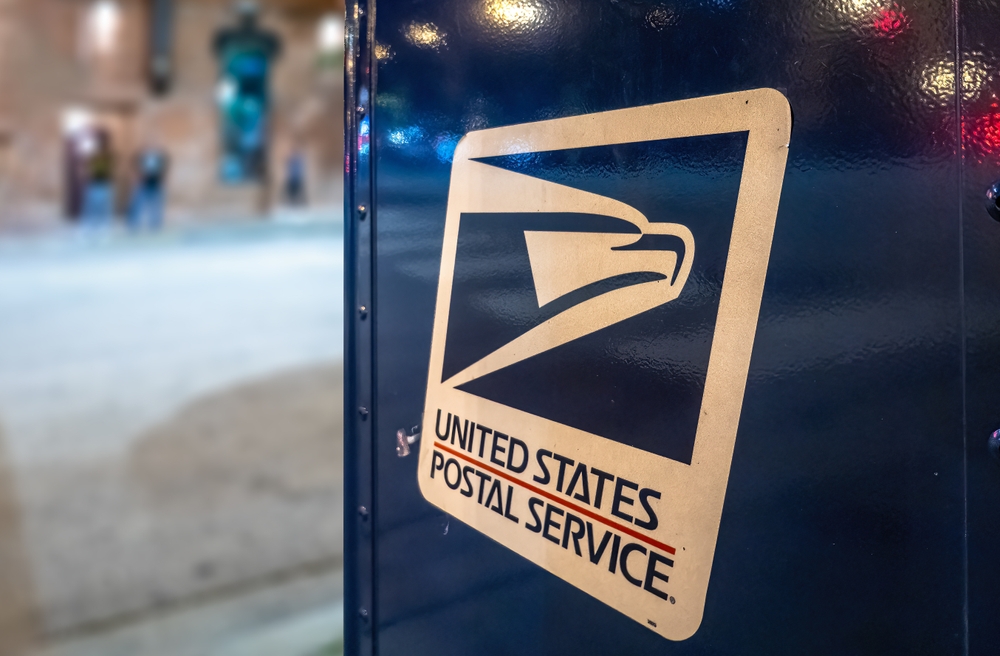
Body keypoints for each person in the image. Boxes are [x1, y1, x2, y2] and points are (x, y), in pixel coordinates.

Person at [129, 144, 170, 230]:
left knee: (155, 207)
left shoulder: (159, 159)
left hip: (155, 184)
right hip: (144, 184)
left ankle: (155, 225)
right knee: (138, 205)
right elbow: (137, 169)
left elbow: (162, 171)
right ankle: (134, 224)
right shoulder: (142, 158)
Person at [81, 129, 115, 230]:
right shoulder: (93, 158)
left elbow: (111, 170)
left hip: (105, 185)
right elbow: (87, 170)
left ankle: (104, 227)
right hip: (94, 184)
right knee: (92, 207)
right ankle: (90, 226)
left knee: (104, 208)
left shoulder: (108, 157)